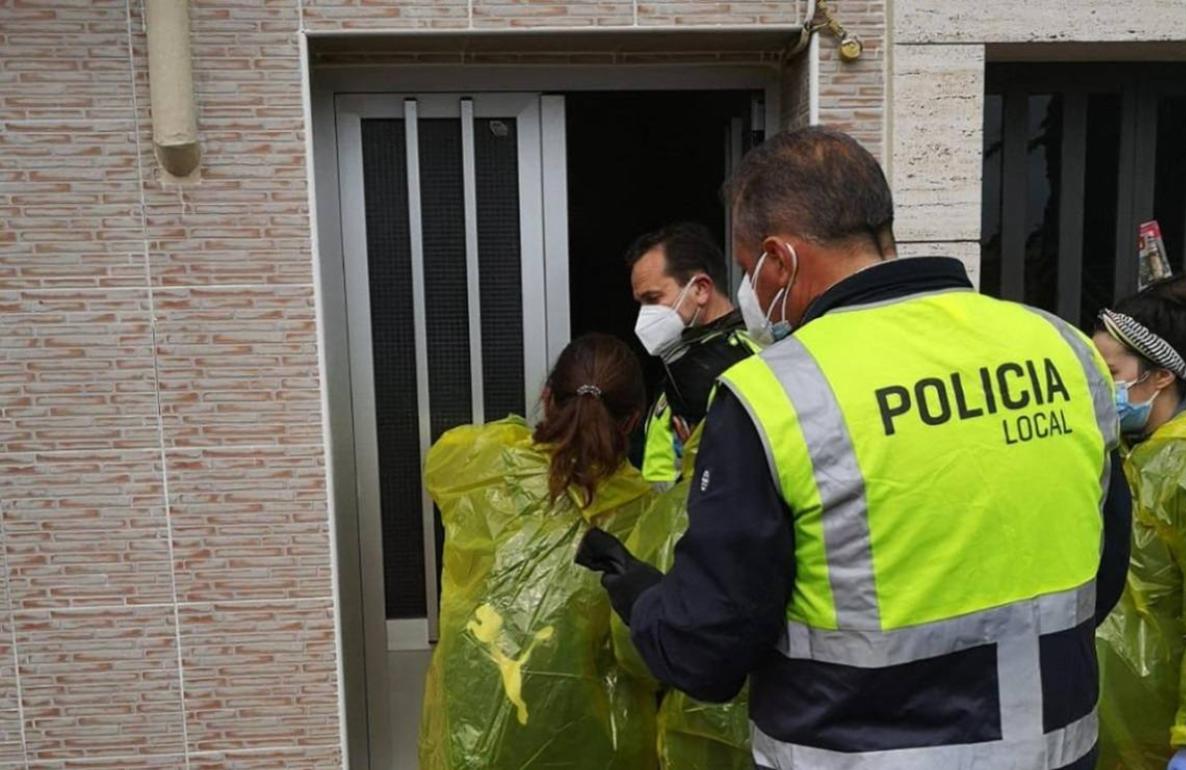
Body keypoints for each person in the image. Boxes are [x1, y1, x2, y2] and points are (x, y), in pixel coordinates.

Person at [577, 126, 1133, 770]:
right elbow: (1105, 571)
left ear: (778, 260)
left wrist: (643, 598)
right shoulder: (1061, 347)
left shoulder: (777, 394)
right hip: (1053, 752)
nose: (751, 289)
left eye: (747, 265)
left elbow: (709, 650)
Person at [420, 333, 658, 770]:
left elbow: (440, 462)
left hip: (477, 741)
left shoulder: (485, 465)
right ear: (633, 420)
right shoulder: (645, 512)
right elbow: (646, 652)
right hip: (599, 742)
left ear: (547, 397)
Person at [1092, 269, 1186, 770]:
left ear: (1161, 377)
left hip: (1169, 741)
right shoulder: (1135, 452)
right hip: (1116, 731)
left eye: (1110, 375)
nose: (1098, 388)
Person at [610, 422, 753, 770]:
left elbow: (636, 655)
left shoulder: (673, 515)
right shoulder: (799, 496)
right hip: (787, 728)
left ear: (683, 428)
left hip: (693, 734)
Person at [628, 223, 756, 485]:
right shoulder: (684, 356)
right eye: (641, 303)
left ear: (700, 289)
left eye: (653, 298)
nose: (645, 314)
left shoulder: (730, 361)